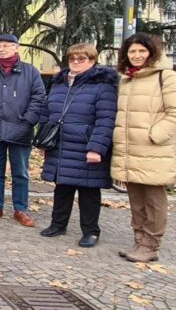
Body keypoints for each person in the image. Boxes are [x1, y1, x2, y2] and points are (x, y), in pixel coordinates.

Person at [39, 43, 117, 248]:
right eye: (72, 58)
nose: (76, 62)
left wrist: (96, 148)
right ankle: (58, 224)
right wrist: (43, 139)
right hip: (60, 145)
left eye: (81, 59)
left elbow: (106, 120)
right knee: (62, 187)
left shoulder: (103, 86)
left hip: (86, 145)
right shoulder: (59, 84)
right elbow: (47, 113)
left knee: (88, 191)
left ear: (92, 61)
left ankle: (91, 231)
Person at [112, 33, 176, 262]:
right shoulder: (128, 78)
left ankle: (151, 245)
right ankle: (139, 242)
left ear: (152, 52)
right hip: (129, 149)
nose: (137, 55)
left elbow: (174, 113)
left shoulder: (166, 77)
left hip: (153, 149)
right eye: (132, 51)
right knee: (136, 198)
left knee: (154, 198)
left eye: (141, 51)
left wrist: (154, 135)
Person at [0, 34, 46, 227]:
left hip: (21, 129)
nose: (2, 49)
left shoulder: (30, 72)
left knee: (20, 172)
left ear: (16, 48)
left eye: (6, 46)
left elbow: (39, 98)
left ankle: (20, 209)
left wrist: (28, 121)